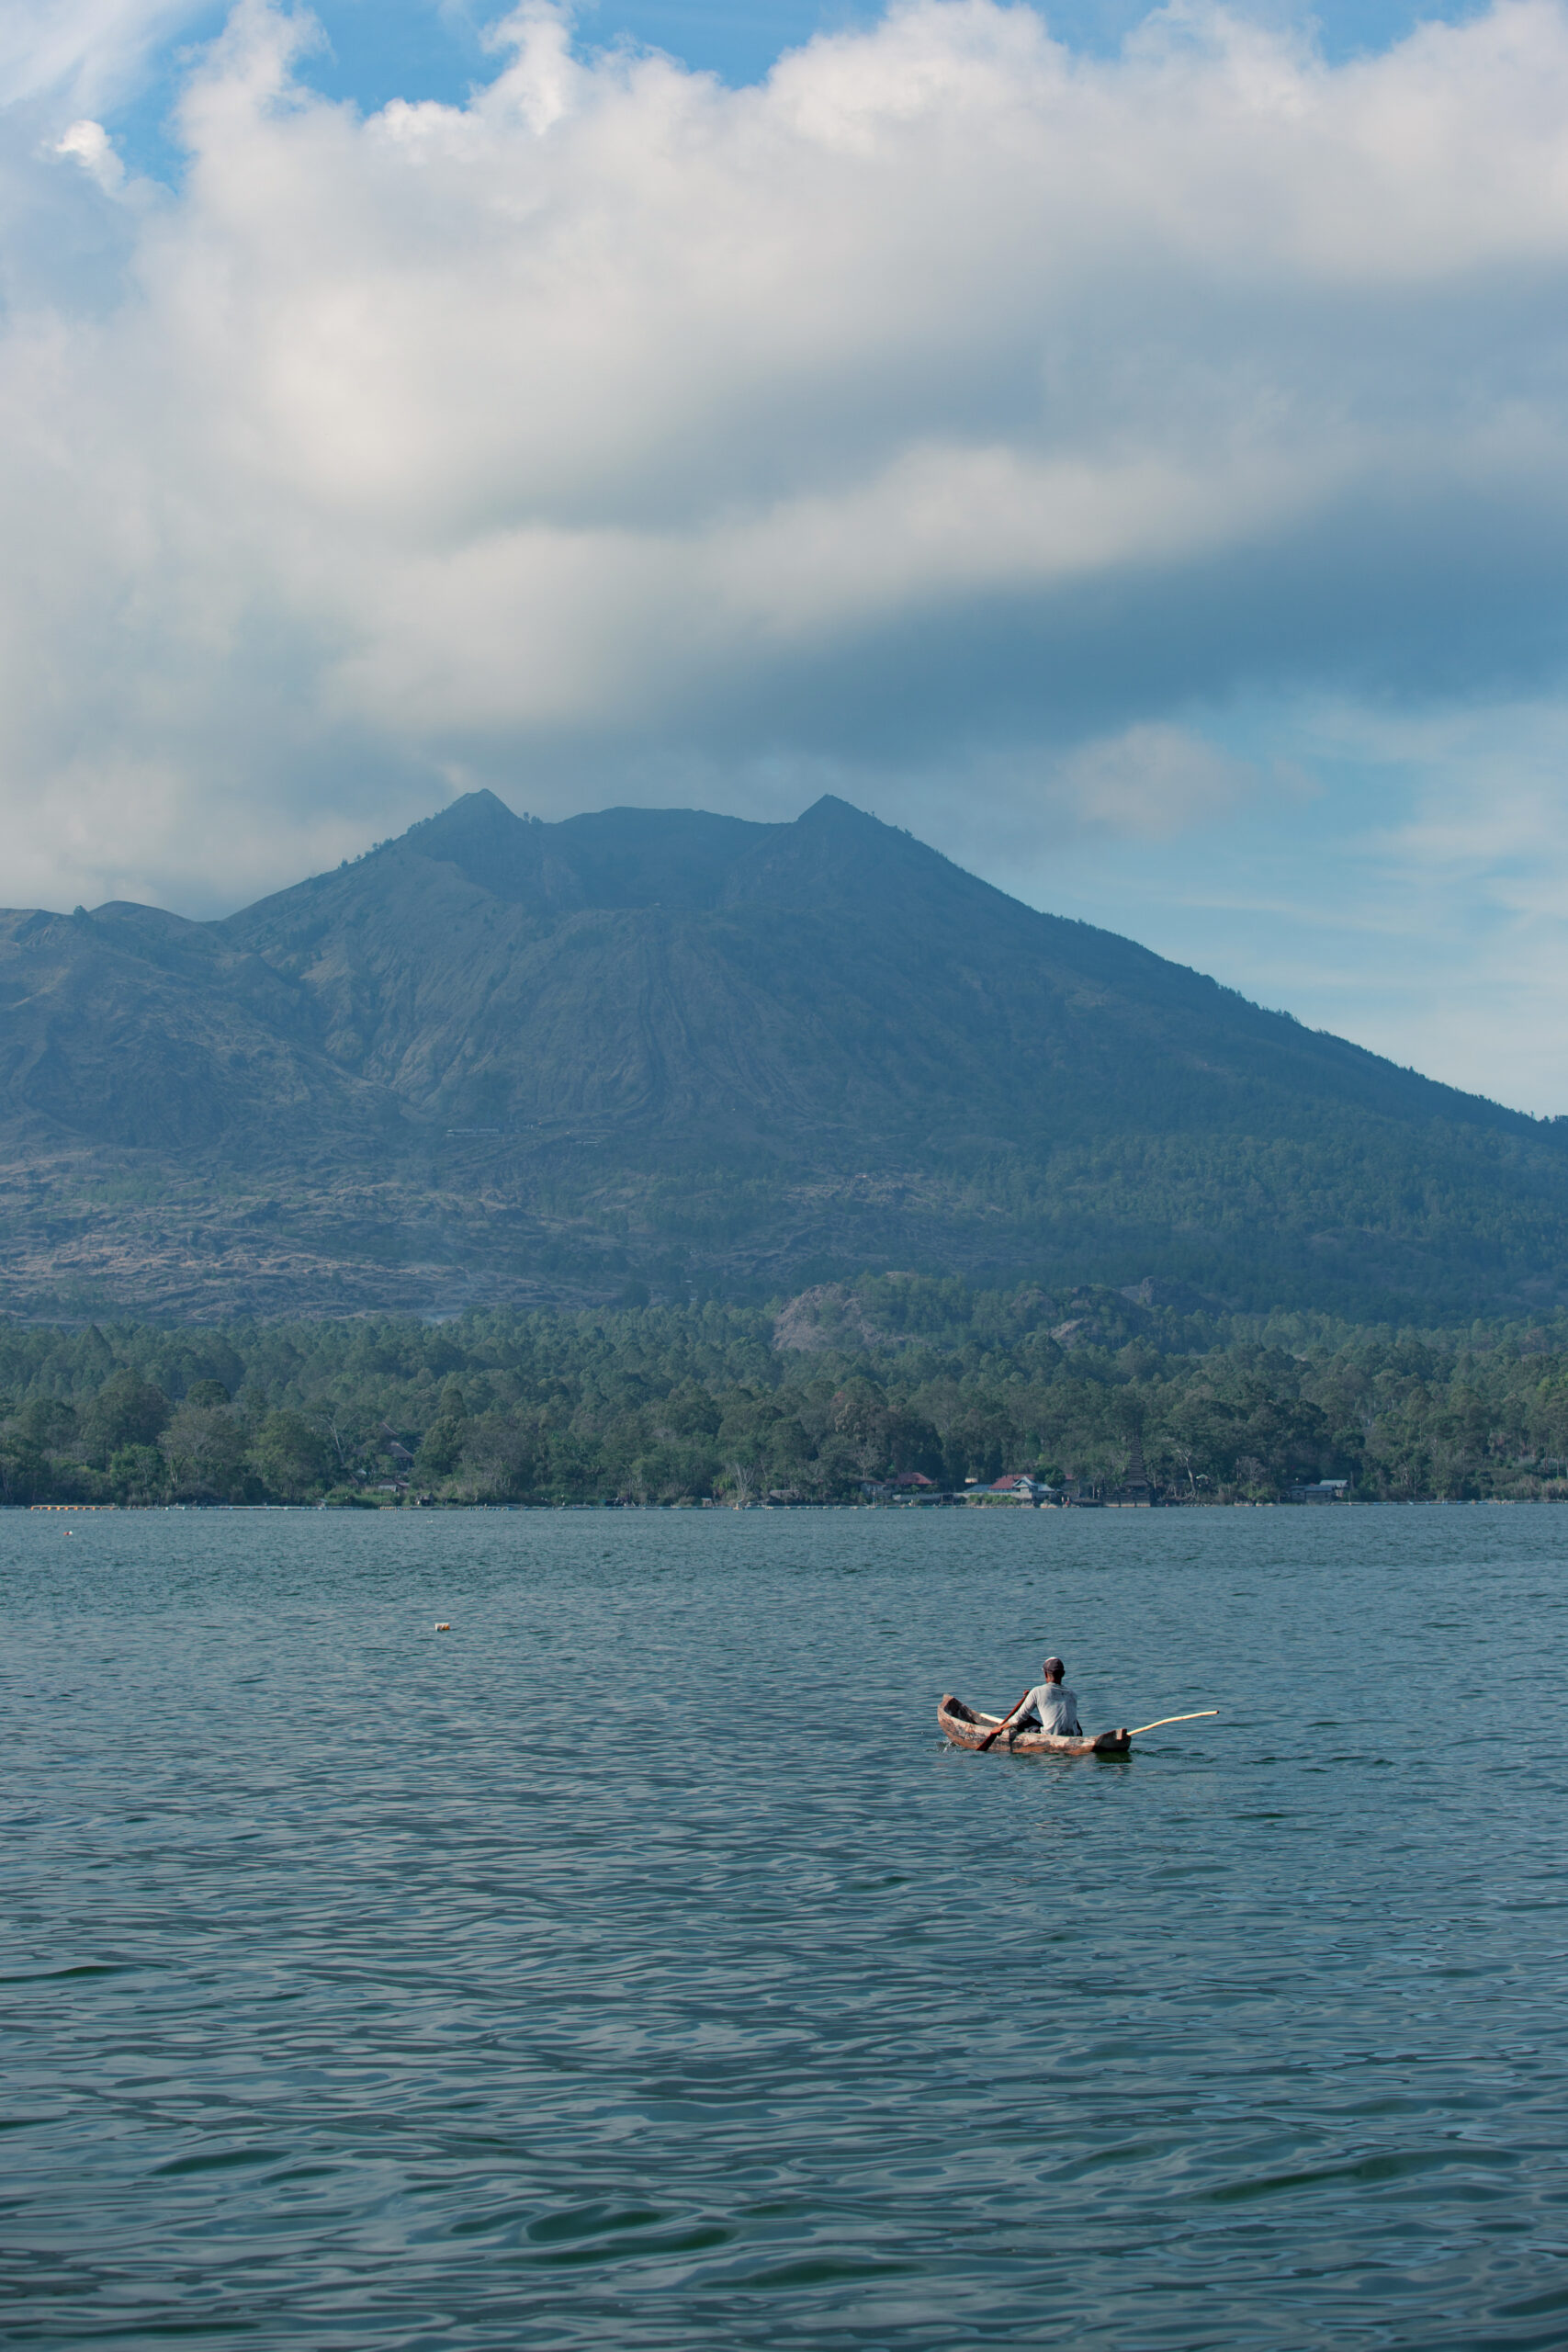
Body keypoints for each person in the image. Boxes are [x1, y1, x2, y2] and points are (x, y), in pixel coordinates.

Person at [1000, 1656, 1082, 1741]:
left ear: (1046, 1674)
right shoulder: (1072, 1693)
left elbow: (1019, 1717)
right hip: (1073, 1735)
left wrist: (1001, 1727)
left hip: (1049, 1736)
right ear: (1063, 1674)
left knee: (1022, 1721)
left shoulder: (1037, 1691)